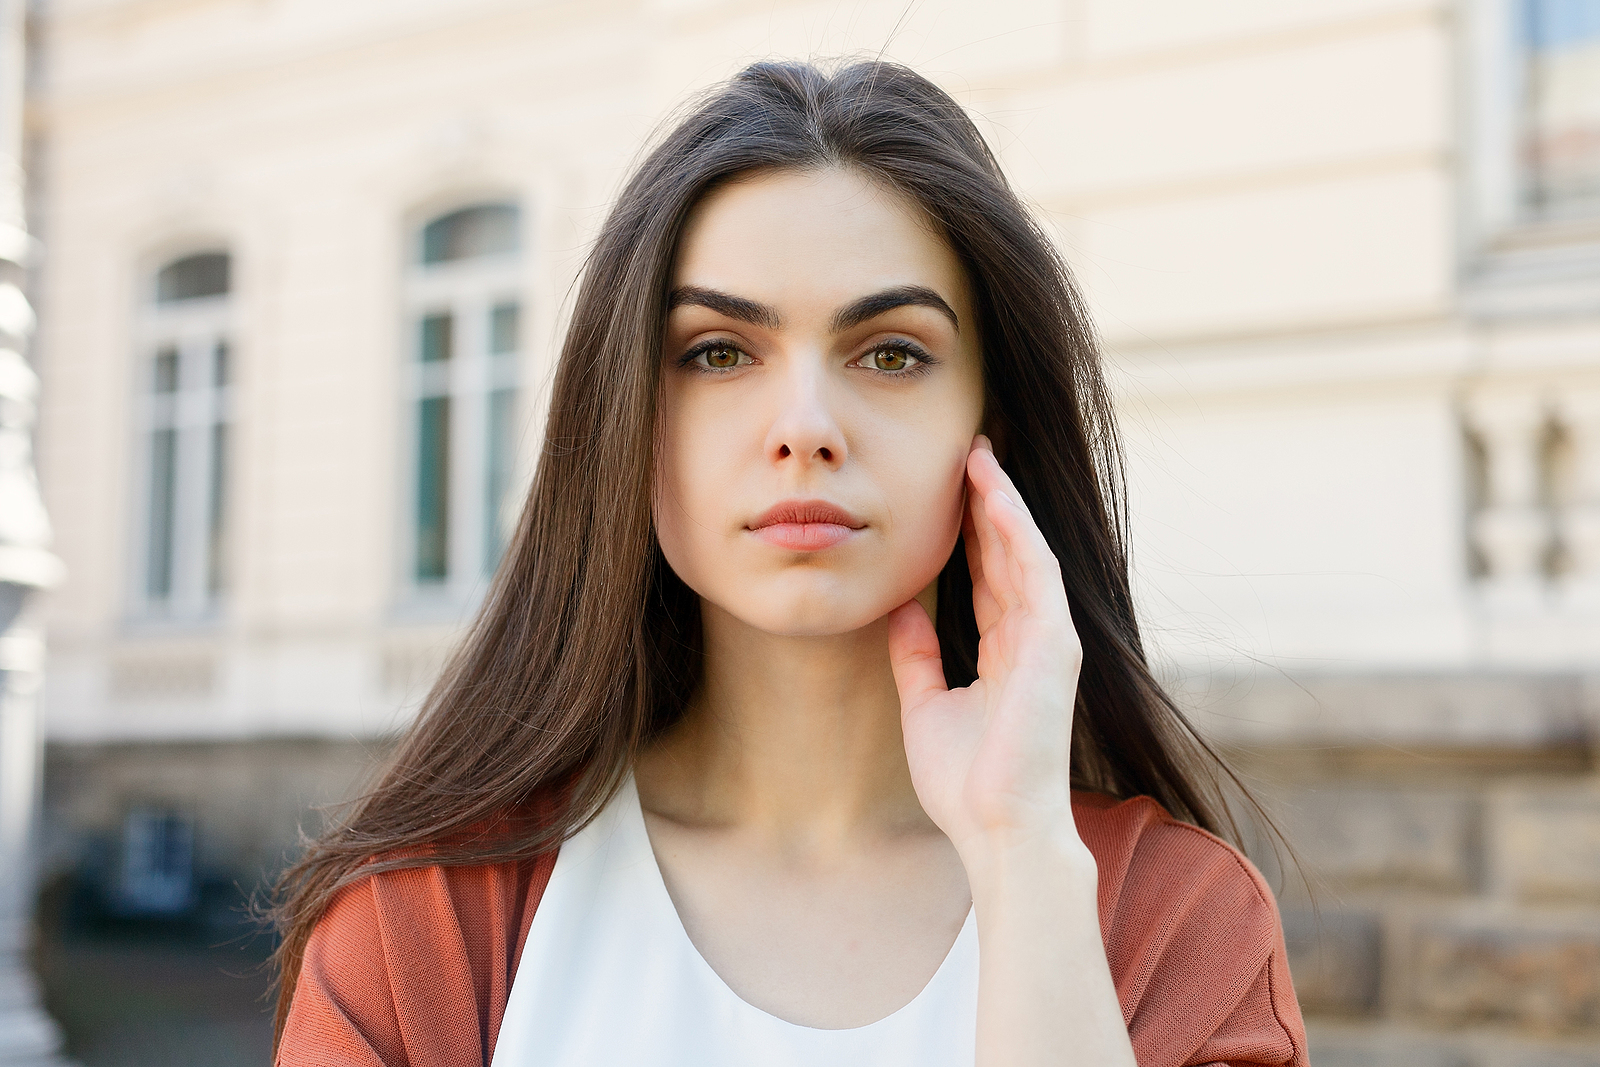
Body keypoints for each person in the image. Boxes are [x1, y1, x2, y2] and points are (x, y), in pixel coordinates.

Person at [272, 60, 1307, 1067]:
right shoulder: (426, 932)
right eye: (718, 351)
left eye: (891, 352)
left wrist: (1019, 848)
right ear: (628, 413)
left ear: (987, 422)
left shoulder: (1178, 926)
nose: (804, 427)